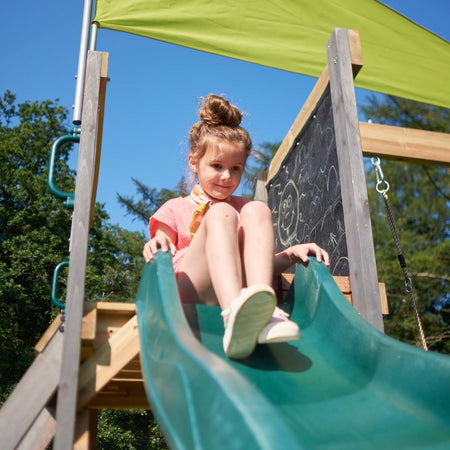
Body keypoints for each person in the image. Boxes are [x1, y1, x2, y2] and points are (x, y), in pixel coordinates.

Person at [143, 94, 330, 359]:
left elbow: (249, 262)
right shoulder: (175, 207)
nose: (226, 176)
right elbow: (161, 244)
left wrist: (290, 254)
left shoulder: (244, 207)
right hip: (189, 294)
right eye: (216, 166)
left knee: (257, 208)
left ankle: (260, 311)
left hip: (238, 285)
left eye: (235, 169)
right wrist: (156, 244)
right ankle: (235, 312)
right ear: (194, 162)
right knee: (222, 213)